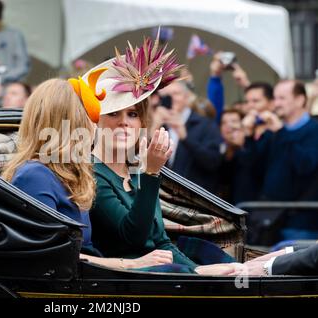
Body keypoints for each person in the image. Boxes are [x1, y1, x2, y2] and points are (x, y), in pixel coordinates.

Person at [88, 33, 239, 275]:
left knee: (238, 269)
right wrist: (150, 172)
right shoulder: (93, 173)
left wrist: (199, 272)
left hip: (164, 275)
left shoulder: (136, 171)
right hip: (124, 280)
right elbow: (133, 237)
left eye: (133, 114)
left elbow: (161, 242)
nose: (125, 123)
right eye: (114, 114)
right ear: (95, 122)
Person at [1, 76, 177, 271]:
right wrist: (129, 264)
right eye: (90, 116)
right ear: (68, 123)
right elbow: (51, 258)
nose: (94, 126)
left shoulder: (70, 174)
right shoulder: (35, 176)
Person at [240, 80, 318, 240]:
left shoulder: (313, 130)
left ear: (300, 100)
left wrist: (281, 132)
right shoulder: (274, 131)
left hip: (299, 222)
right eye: (275, 98)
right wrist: (248, 136)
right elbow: (252, 167)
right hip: (268, 219)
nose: (276, 104)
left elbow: (305, 166)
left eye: (282, 98)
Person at [153, 81, 223, 194]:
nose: (172, 98)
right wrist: (154, 126)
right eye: (167, 95)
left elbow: (213, 162)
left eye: (176, 94)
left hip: (196, 196)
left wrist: (185, 137)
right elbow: (137, 158)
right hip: (163, 196)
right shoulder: (159, 123)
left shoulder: (206, 124)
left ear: (187, 97)